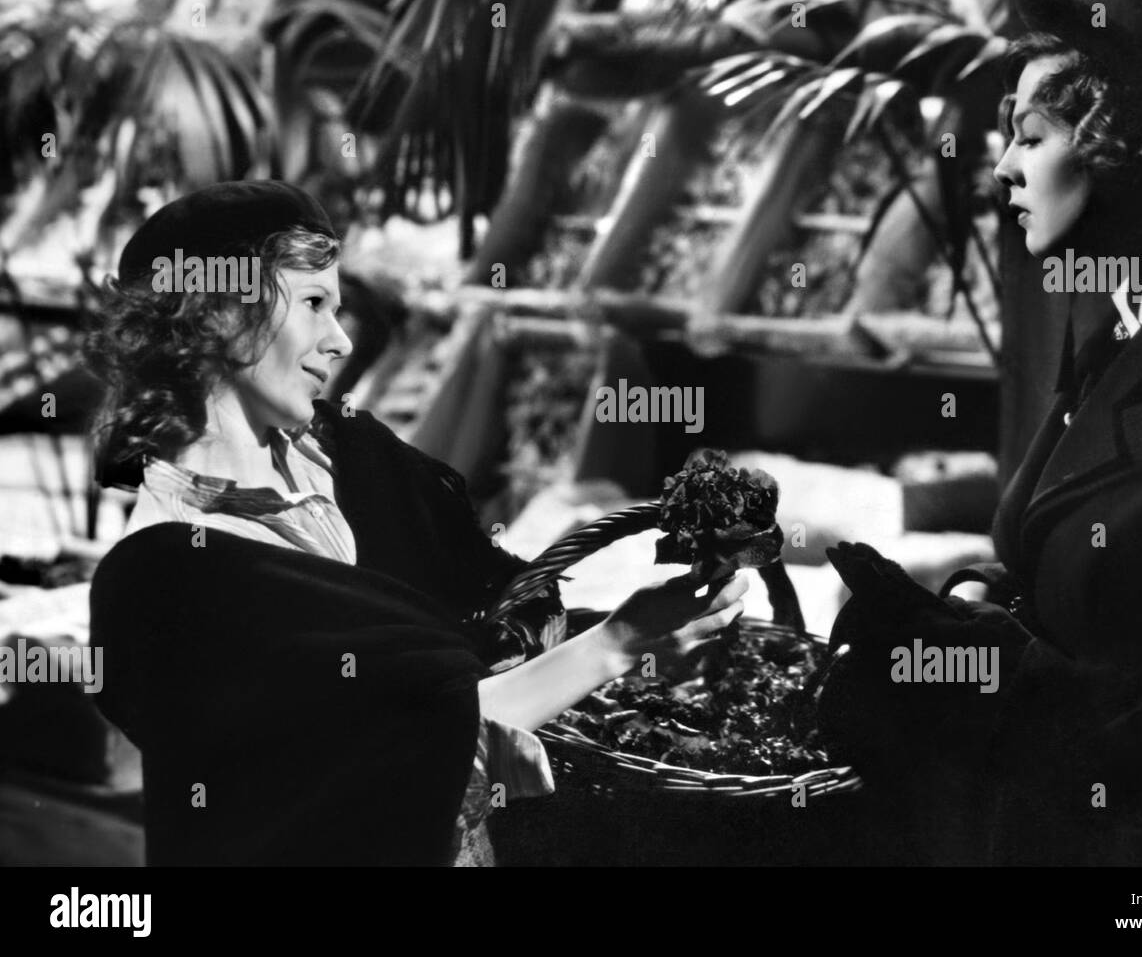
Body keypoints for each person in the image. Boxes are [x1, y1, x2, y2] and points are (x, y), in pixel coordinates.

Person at [85, 180, 746, 866]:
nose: (340, 340)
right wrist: (616, 643)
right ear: (217, 313)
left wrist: (626, 635)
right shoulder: (162, 577)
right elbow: (409, 741)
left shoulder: (350, 455)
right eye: (314, 303)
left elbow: (480, 621)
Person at [821, 0, 1142, 865]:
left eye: (1031, 136)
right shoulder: (1111, 346)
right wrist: (966, 613)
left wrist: (1009, 673)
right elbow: (1066, 590)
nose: (1000, 168)